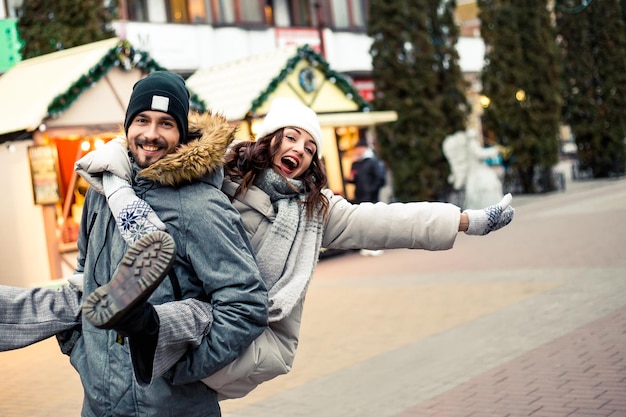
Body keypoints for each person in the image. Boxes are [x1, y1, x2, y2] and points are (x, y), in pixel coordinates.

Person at [1, 97, 514, 401]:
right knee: (73, 294)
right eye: (292, 137)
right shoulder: (223, 176)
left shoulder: (316, 212)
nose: (300, 150)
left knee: (183, 312)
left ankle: (138, 322)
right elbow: (154, 148)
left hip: (225, 316)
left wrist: (467, 221)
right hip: (164, 281)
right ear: (270, 139)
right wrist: (110, 171)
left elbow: (389, 221)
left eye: (310, 148)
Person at [0, 71, 268, 416]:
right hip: (100, 405)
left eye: (166, 124)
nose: (151, 134)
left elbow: (245, 305)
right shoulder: (102, 194)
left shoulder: (201, 206)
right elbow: (85, 281)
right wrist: (83, 353)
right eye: (142, 120)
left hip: (172, 407)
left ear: (181, 133)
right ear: (128, 125)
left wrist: (181, 370)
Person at [443, 129, 507, 210]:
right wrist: (494, 150)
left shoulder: (469, 143)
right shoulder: (472, 143)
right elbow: (479, 153)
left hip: (476, 174)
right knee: (488, 190)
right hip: (478, 174)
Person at [347, 139, 387, 256]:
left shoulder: (373, 162)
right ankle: (367, 246)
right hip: (359, 197)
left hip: (371, 196)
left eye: (359, 148)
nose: (357, 151)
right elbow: (354, 179)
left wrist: (371, 190)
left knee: (374, 221)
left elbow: (380, 178)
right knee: (363, 223)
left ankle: (377, 246)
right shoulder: (355, 163)